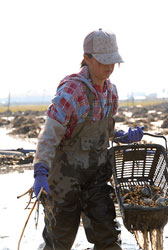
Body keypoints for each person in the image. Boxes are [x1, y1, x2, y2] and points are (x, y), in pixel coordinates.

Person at [33, 28, 144, 250]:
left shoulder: (111, 92)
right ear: (87, 58)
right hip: (64, 179)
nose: (109, 67)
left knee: (108, 236)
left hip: (96, 176)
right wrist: (40, 171)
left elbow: (103, 131)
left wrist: (121, 136)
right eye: (103, 61)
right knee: (59, 240)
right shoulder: (72, 90)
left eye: (112, 61)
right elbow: (49, 136)